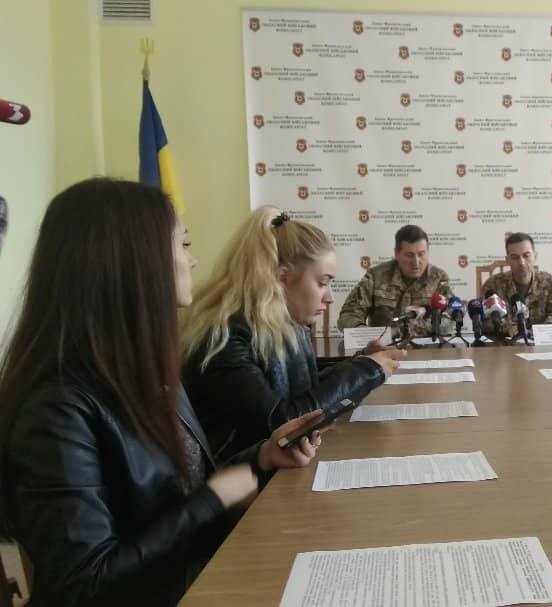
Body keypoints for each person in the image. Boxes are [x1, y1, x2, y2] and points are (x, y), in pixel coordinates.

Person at [0, 179, 323, 606]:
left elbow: (176, 497)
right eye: (182, 244)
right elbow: (85, 584)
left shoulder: (147, 370)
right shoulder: (55, 409)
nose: (192, 259)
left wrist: (261, 458)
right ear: (134, 263)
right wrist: (214, 500)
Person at [182, 207, 403, 462]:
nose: (330, 297)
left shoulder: (283, 326)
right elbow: (282, 425)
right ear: (283, 278)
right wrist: (365, 371)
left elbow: (307, 391)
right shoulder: (224, 337)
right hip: (240, 479)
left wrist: (362, 362)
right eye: (322, 283)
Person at [337, 224, 455, 337]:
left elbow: (448, 321)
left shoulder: (439, 278)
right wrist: (363, 332)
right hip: (382, 347)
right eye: (409, 255)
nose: (416, 262)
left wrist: (401, 331)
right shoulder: (376, 276)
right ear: (397, 254)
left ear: (428, 252)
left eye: (421, 254)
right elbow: (348, 314)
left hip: (426, 347)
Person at [481, 232, 552, 333]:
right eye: (515, 257)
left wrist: (540, 331)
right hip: (506, 341)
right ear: (507, 260)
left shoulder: (548, 282)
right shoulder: (493, 284)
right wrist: (508, 329)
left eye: (526, 256)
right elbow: (484, 320)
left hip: (541, 341)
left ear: (535, 256)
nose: (521, 262)